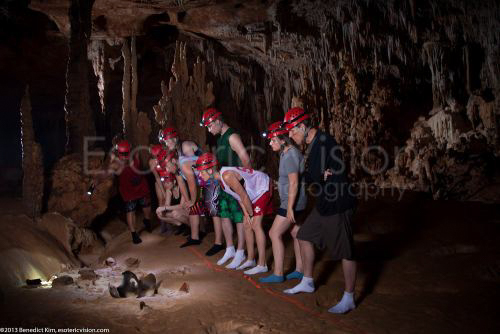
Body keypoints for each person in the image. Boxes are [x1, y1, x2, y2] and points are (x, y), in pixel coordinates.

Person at [284, 107, 357, 314]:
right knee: (304, 234)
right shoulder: (313, 144)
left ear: (302, 126)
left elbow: (328, 173)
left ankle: (349, 297)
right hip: (324, 201)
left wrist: (325, 175)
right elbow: (314, 175)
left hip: (338, 203)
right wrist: (319, 175)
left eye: (291, 130)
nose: (290, 135)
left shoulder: (324, 143)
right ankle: (307, 281)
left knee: (345, 251)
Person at [195, 153, 273, 275]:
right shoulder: (219, 179)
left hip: (262, 187)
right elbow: (239, 197)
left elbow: (244, 195)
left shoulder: (226, 176)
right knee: (247, 224)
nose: (200, 175)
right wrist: (246, 214)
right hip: (251, 193)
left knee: (255, 225)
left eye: (201, 171)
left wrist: (251, 215)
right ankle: (250, 259)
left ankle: (262, 264)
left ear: (210, 170)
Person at [258, 121, 307, 283]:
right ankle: (300, 270)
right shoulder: (287, 153)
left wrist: (290, 208)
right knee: (295, 233)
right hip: (295, 202)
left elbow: (294, 182)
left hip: (292, 203)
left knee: (274, 233)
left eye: (273, 140)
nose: (270, 144)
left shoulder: (290, 155)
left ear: (283, 140)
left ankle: (278, 273)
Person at [200, 108, 249, 267]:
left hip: (234, 183)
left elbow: (245, 159)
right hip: (224, 182)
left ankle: (241, 251)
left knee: (238, 217)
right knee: (224, 214)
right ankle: (230, 248)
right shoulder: (221, 138)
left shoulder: (232, 136)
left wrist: (242, 180)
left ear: (218, 121)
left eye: (209, 125)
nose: (209, 129)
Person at [96, 140, 152, 244]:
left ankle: (147, 220)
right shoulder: (115, 164)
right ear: (118, 153)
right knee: (131, 210)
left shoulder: (135, 154)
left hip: (141, 185)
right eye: (123, 154)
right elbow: (104, 174)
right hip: (128, 190)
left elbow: (139, 166)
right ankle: (134, 234)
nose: (125, 156)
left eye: (127, 153)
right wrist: (96, 181)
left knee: (146, 205)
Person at [159, 127, 206, 247]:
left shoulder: (185, 147)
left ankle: (201, 231)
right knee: (192, 206)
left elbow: (192, 174)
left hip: (204, 178)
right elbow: (180, 179)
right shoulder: (176, 154)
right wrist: (188, 199)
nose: (166, 143)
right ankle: (195, 237)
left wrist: (192, 199)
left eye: (168, 140)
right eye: (165, 141)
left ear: (175, 138)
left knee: (196, 205)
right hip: (196, 181)